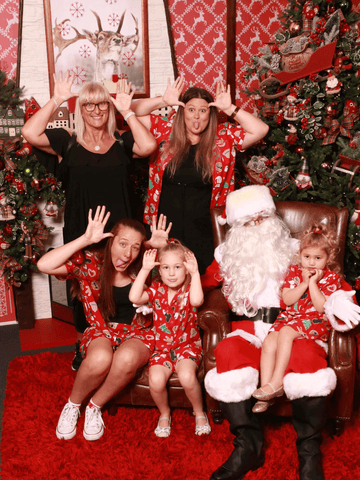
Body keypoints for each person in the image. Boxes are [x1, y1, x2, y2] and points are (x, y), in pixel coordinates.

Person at [200, 185, 360, 480]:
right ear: (237, 228)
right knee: (227, 351)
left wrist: (340, 301)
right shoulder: (227, 257)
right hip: (246, 327)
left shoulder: (297, 252)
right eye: (249, 222)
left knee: (308, 359)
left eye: (262, 218)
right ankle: (248, 445)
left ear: (272, 219)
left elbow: (335, 283)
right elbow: (203, 287)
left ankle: (309, 451)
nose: (257, 227)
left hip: (291, 326)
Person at [22, 72, 157, 370]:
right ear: (79, 110)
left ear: (109, 110)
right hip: (82, 233)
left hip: (120, 235)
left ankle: (123, 342)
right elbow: (30, 133)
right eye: (88, 105)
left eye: (102, 105)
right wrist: (57, 98)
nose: (96, 111)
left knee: (122, 289)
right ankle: (86, 343)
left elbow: (148, 147)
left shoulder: (123, 142)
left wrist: (127, 111)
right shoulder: (67, 143)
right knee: (83, 293)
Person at [36, 206, 171, 441]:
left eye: (136, 247)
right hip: (101, 330)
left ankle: (94, 406)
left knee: (126, 358)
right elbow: (44, 265)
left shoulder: (148, 267)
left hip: (139, 333)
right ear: (111, 241)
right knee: (100, 358)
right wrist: (85, 239)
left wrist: (163, 249)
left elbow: (185, 278)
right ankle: (73, 405)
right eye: (122, 244)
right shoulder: (91, 263)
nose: (127, 254)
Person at [131, 77, 269, 274]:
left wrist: (229, 108)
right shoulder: (164, 130)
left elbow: (261, 129)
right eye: (191, 109)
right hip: (165, 228)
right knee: (166, 280)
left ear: (210, 113)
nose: (196, 117)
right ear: (182, 111)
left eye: (203, 110)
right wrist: (163, 101)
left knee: (201, 285)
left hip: (205, 230)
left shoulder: (224, 137)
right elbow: (133, 110)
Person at [252, 222, 345, 413]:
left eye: (318, 258)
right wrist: (303, 283)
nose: (311, 262)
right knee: (270, 340)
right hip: (291, 317)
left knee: (286, 332)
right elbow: (286, 300)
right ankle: (266, 389)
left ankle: (277, 382)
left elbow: (321, 307)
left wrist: (312, 283)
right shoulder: (294, 271)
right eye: (307, 257)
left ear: (328, 258)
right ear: (300, 255)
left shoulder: (331, 278)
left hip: (315, 320)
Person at [129, 240, 211, 437]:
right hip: (162, 350)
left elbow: (198, 301)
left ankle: (199, 412)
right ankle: (165, 413)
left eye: (177, 267)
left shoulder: (189, 290)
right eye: (166, 267)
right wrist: (144, 270)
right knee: (155, 381)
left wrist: (195, 273)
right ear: (160, 270)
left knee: (186, 377)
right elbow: (134, 297)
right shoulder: (156, 290)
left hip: (187, 347)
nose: (172, 273)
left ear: (186, 269)